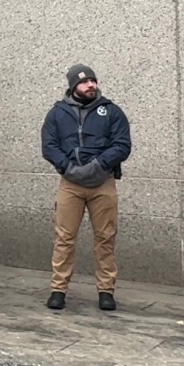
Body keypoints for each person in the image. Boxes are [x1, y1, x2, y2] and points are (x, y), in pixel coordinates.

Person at [40, 64, 131, 312]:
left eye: (93, 80)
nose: (90, 85)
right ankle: (58, 290)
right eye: (84, 82)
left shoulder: (112, 112)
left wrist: (97, 166)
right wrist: (69, 169)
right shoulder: (56, 114)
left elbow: (122, 145)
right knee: (64, 238)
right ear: (73, 87)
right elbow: (49, 146)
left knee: (105, 238)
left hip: (103, 183)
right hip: (70, 185)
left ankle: (106, 291)